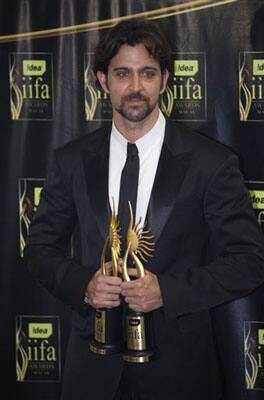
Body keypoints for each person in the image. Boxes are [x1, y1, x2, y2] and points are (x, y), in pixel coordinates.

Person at [24, 19, 264, 400]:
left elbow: (250, 261)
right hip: (92, 371)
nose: (135, 87)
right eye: (122, 73)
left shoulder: (211, 163)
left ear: (165, 79)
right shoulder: (71, 162)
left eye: (147, 73)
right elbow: (38, 250)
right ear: (103, 81)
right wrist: (84, 284)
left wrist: (167, 291)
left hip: (181, 373)